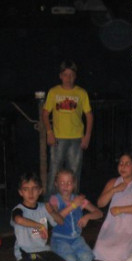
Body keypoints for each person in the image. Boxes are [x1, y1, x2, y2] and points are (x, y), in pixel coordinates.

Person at [42, 60, 93, 192]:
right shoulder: (53, 92)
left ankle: (73, 202)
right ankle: (50, 202)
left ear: (75, 76)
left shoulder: (81, 93)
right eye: (65, 75)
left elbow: (89, 115)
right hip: (58, 138)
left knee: (74, 173)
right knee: (54, 172)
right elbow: (45, 113)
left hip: (76, 138)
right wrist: (49, 133)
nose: (68, 78)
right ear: (60, 76)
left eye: (71, 75)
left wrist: (87, 136)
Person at [93, 151, 132, 261]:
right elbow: (100, 203)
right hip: (114, 226)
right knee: (99, 250)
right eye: (121, 163)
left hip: (130, 228)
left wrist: (121, 209)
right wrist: (114, 190)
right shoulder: (113, 182)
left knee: (121, 252)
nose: (123, 166)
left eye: (127, 164)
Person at [11, 172, 69, 261]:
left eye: (34, 188)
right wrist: (39, 226)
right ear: (20, 192)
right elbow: (18, 220)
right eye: (26, 189)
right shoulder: (18, 209)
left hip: (43, 250)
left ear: (40, 191)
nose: (31, 193)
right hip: (27, 252)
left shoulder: (43, 207)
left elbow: (61, 222)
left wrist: (52, 212)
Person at [48, 168, 103, 261]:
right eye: (62, 182)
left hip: (76, 239)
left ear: (74, 185)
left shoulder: (79, 199)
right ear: (56, 184)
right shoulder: (54, 200)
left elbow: (99, 213)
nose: (66, 186)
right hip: (60, 239)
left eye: (69, 183)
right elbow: (56, 218)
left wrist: (87, 216)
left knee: (87, 258)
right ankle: (57, 251)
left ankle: (71, 253)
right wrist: (73, 205)